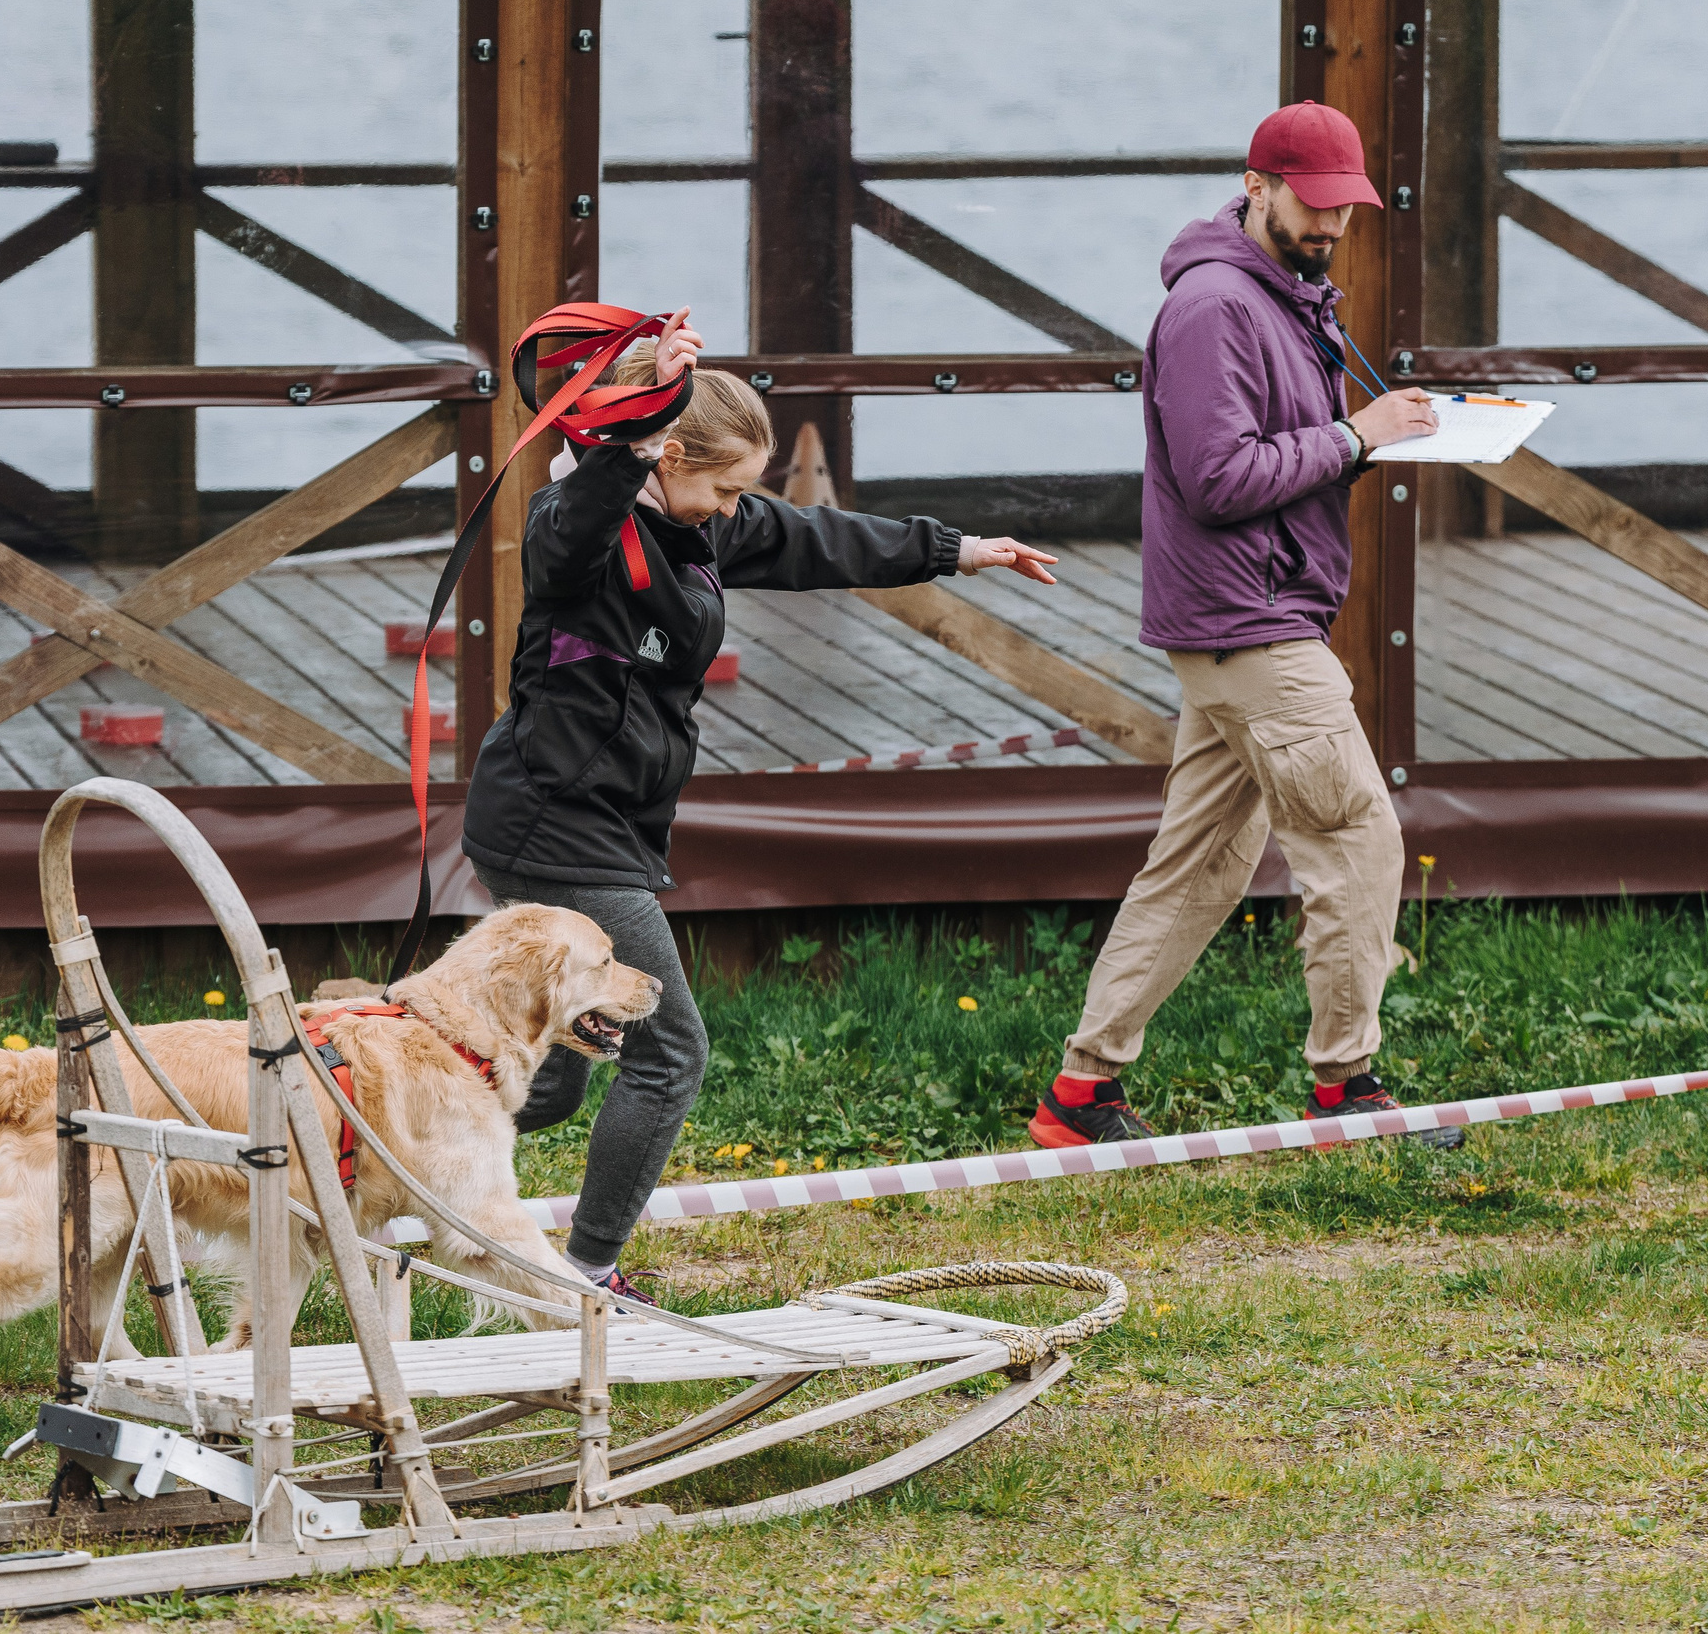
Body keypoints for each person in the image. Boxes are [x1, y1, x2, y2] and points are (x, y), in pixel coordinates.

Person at [463, 311, 1063, 1300]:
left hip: (594, 819)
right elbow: (579, 528)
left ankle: (368, 1135)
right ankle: (581, 1279)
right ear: (661, 457)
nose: (733, 508)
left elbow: (819, 539)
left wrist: (960, 549)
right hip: (557, 827)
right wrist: (635, 436)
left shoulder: (699, 524)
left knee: (556, 1068)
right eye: (722, 485)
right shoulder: (583, 525)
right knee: (666, 1052)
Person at [1033, 100, 1466, 1152]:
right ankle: (1346, 1092)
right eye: (1312, 206)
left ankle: (1080, 1096)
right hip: (1250, 619)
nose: (1328, 227)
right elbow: (1220, 479)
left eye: (1344, 210)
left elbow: (1279, 445)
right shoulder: (1213, 309)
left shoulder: (1286, 292)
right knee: (1357, 841)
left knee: (1200, 864)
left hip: (1243, 615)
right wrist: (1356, 437)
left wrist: (1372, 428)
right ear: (1257, 185)